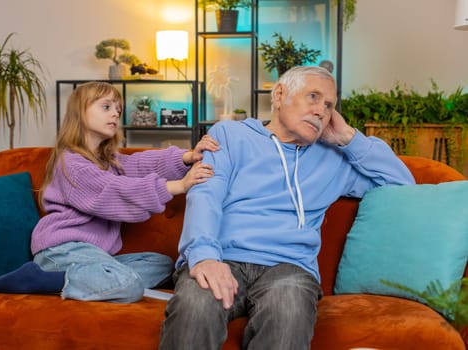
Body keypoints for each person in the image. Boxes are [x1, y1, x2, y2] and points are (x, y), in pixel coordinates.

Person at [158, 66, 416, 350]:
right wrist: (205, 256)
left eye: (329, 105)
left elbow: (402, 184)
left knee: (289, 311)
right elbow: (205, 195)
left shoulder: (335, 160)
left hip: (290, 269)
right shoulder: (231, 135)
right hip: (222, 256)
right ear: (280, 95)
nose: (321, 111)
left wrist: (348, 138)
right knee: (196, 305)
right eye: (313, 97)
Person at [0, 81, 219, 303]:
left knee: (161, 264)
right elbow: (112, 191)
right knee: (129, 285)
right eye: (106, 107)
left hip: (96, 256)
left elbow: (140, 164)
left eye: (117, 109)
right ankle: (41, 279)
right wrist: (178, 186)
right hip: (62, 251)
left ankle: (101, 278)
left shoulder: (108, 160)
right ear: (80, 113)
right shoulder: (71, 163)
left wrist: (187, 156)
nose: (116, 113)